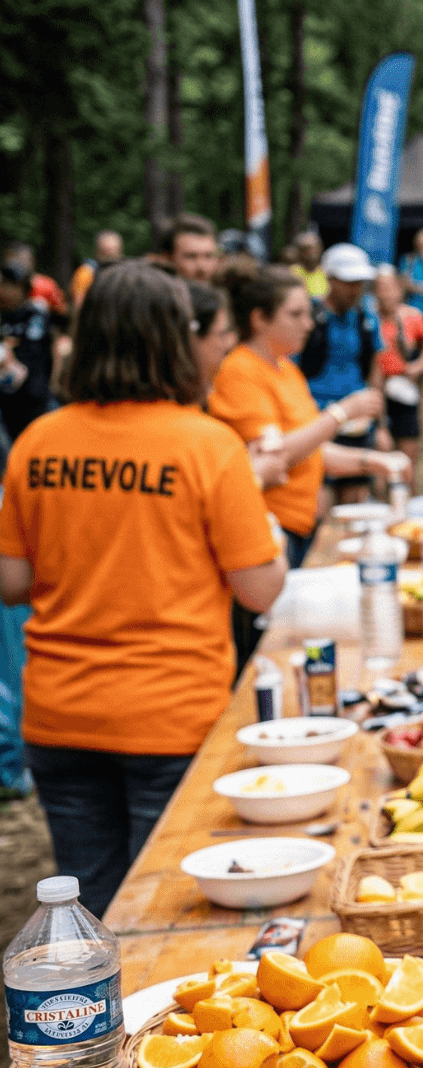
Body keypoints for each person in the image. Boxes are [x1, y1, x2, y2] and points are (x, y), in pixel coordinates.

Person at [0, 261, 286, 916]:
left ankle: (99, 1017)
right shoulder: (207, 447)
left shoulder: (37, 442)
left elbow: (12, 581)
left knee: (92, 899)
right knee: (173, 905)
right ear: (173, 340)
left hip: (61, 714)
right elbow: (259, 592)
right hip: (170, 712)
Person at [209, 265, 388, 573]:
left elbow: (309, 448)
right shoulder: (240, 372)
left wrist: (370, 460)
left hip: (300, 525)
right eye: (296, 315)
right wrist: (341, 413)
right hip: (267, 527)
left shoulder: (287, 370)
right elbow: (275, 455)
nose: (308, 325)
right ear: (259, 319)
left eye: (308, 314)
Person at [301, 243, 388, 509]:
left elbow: (376, 368)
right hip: (317, 419)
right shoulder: (309, 317)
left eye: (359, 282)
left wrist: (380, 423)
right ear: (329, 280)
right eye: (348, 282)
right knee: (320, 502)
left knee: (355, 501)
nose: (354, 289)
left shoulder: (365, 318)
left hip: (357, 423)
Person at [372, 266, 423, 466]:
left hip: (404, 388)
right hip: (376, 390)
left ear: (400, 290)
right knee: (380, 453)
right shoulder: (368, 319)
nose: (387, 294)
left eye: (391, 288)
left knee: (408, 453)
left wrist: (419, 366)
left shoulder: (412, 316)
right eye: (381, 288)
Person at [0, 263, 58, 442]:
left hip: (31, 400)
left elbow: (26, 362)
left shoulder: (35, 316)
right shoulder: (3, 317)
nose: (5, 291)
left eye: (11, 285)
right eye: (3, 284)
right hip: (6, 403)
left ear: (23, 289)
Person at [69, 230, 123, 311]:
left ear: (120, 252)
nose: (110, 256)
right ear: (97, 252)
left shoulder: (125, 275)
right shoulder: (86, 273)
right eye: (106, 252)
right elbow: (78, 306)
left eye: (114, 251)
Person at [288, 231, 328, 296]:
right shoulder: (292, 273)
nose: (312, 253)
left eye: (315, 249)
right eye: (307, 249)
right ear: (299, 251)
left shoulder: (326, 272)